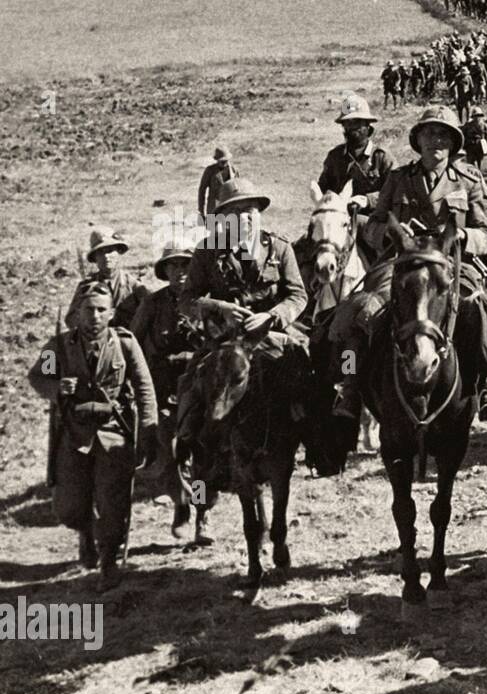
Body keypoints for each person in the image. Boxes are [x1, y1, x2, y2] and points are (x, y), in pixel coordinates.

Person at [354, 105, 487, 422]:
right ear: (418, 139)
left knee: (485, 310)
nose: (436, 141)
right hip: (402, 263)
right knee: (356, 315)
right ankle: (348, 380)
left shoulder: (468, 180)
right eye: (429, 133)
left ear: (454, 142)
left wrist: (461, 238)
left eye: (443, 134)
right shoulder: (399, 179)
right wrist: (392, 234)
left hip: (453, 264)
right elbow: (371, 228)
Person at [29, 281, 158, 591]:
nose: (95, 316)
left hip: (113, 434)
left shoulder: (125, 344)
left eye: (102, 310)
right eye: (89, 310)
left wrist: (148, 433)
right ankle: (86, 532)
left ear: (112, 313)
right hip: (73, 435)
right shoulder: (59, 346)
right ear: (78, 312)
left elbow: (144, 388)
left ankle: (109, 560)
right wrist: (57, 387)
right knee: (69, 507)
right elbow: (38, 376)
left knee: (113, 504)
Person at [176, 178, 308, 455]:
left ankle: (314, 440)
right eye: (235, 212)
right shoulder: (207, 251)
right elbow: (186, 301)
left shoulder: (280, 248)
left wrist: (271, 317)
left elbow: (298, 296)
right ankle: (189, 441)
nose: (245, 217)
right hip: (226, 338)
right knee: (193, 377)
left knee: (306, 368)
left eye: (251, 210)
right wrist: (219, 308)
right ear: (223, 219)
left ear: (260, 214)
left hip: (274, 334)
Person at [130, 240, 209, 544]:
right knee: (173, 450)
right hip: (164, 392)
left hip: (200, 391)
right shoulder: (153, 303)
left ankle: (203, 515)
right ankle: (182, 507)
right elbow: (132, 342)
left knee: (202, 454)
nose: (181, 272)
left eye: (186, 265)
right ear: (165, 271)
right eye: (173, 266)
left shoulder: (205, 302)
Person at [317, 95, 393, 214]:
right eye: (347, 123)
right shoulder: (335, 157)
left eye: (357, 122)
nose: (352, 127)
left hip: (373, 222)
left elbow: (396, 193)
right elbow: (323, 191)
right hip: (339, 221)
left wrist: (368, 201)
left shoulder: (382, 158)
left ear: (368, 125)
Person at [65, 227, 149, 331]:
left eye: (110, 251)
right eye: (101, 252)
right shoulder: (86, 287)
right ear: (95, 258)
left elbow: (149, 321)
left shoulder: (135, 287)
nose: (106, 256)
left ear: (118, 252)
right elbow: (71, 320)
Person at [197, 146, 238, 216]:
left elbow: (238, 190)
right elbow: (202, 190)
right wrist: (201, 210)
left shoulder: (233, 170)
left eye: (226, 161)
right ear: (217, 160)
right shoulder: (209, 171)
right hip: (213, 209)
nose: (224, 163)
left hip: (230, 208)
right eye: (222, 161)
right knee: (212, 226)